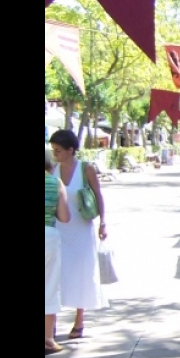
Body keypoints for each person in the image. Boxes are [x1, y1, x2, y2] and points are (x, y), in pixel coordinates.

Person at [49, 129, 109, 339]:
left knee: (82, 272)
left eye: (58, 150)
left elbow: (98, 195)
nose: (54, 153)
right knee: (56, 275)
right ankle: (52, 323)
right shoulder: (53, 170)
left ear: (70, 150)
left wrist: (103, 222)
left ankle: (79, 320)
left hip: (81, 229)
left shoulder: (86, 168)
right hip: (59, 230)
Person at [45, 154, 72, 355]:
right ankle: (47, 338)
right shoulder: (55, 183)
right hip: (49, 237)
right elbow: (64, 217)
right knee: (50, 286)